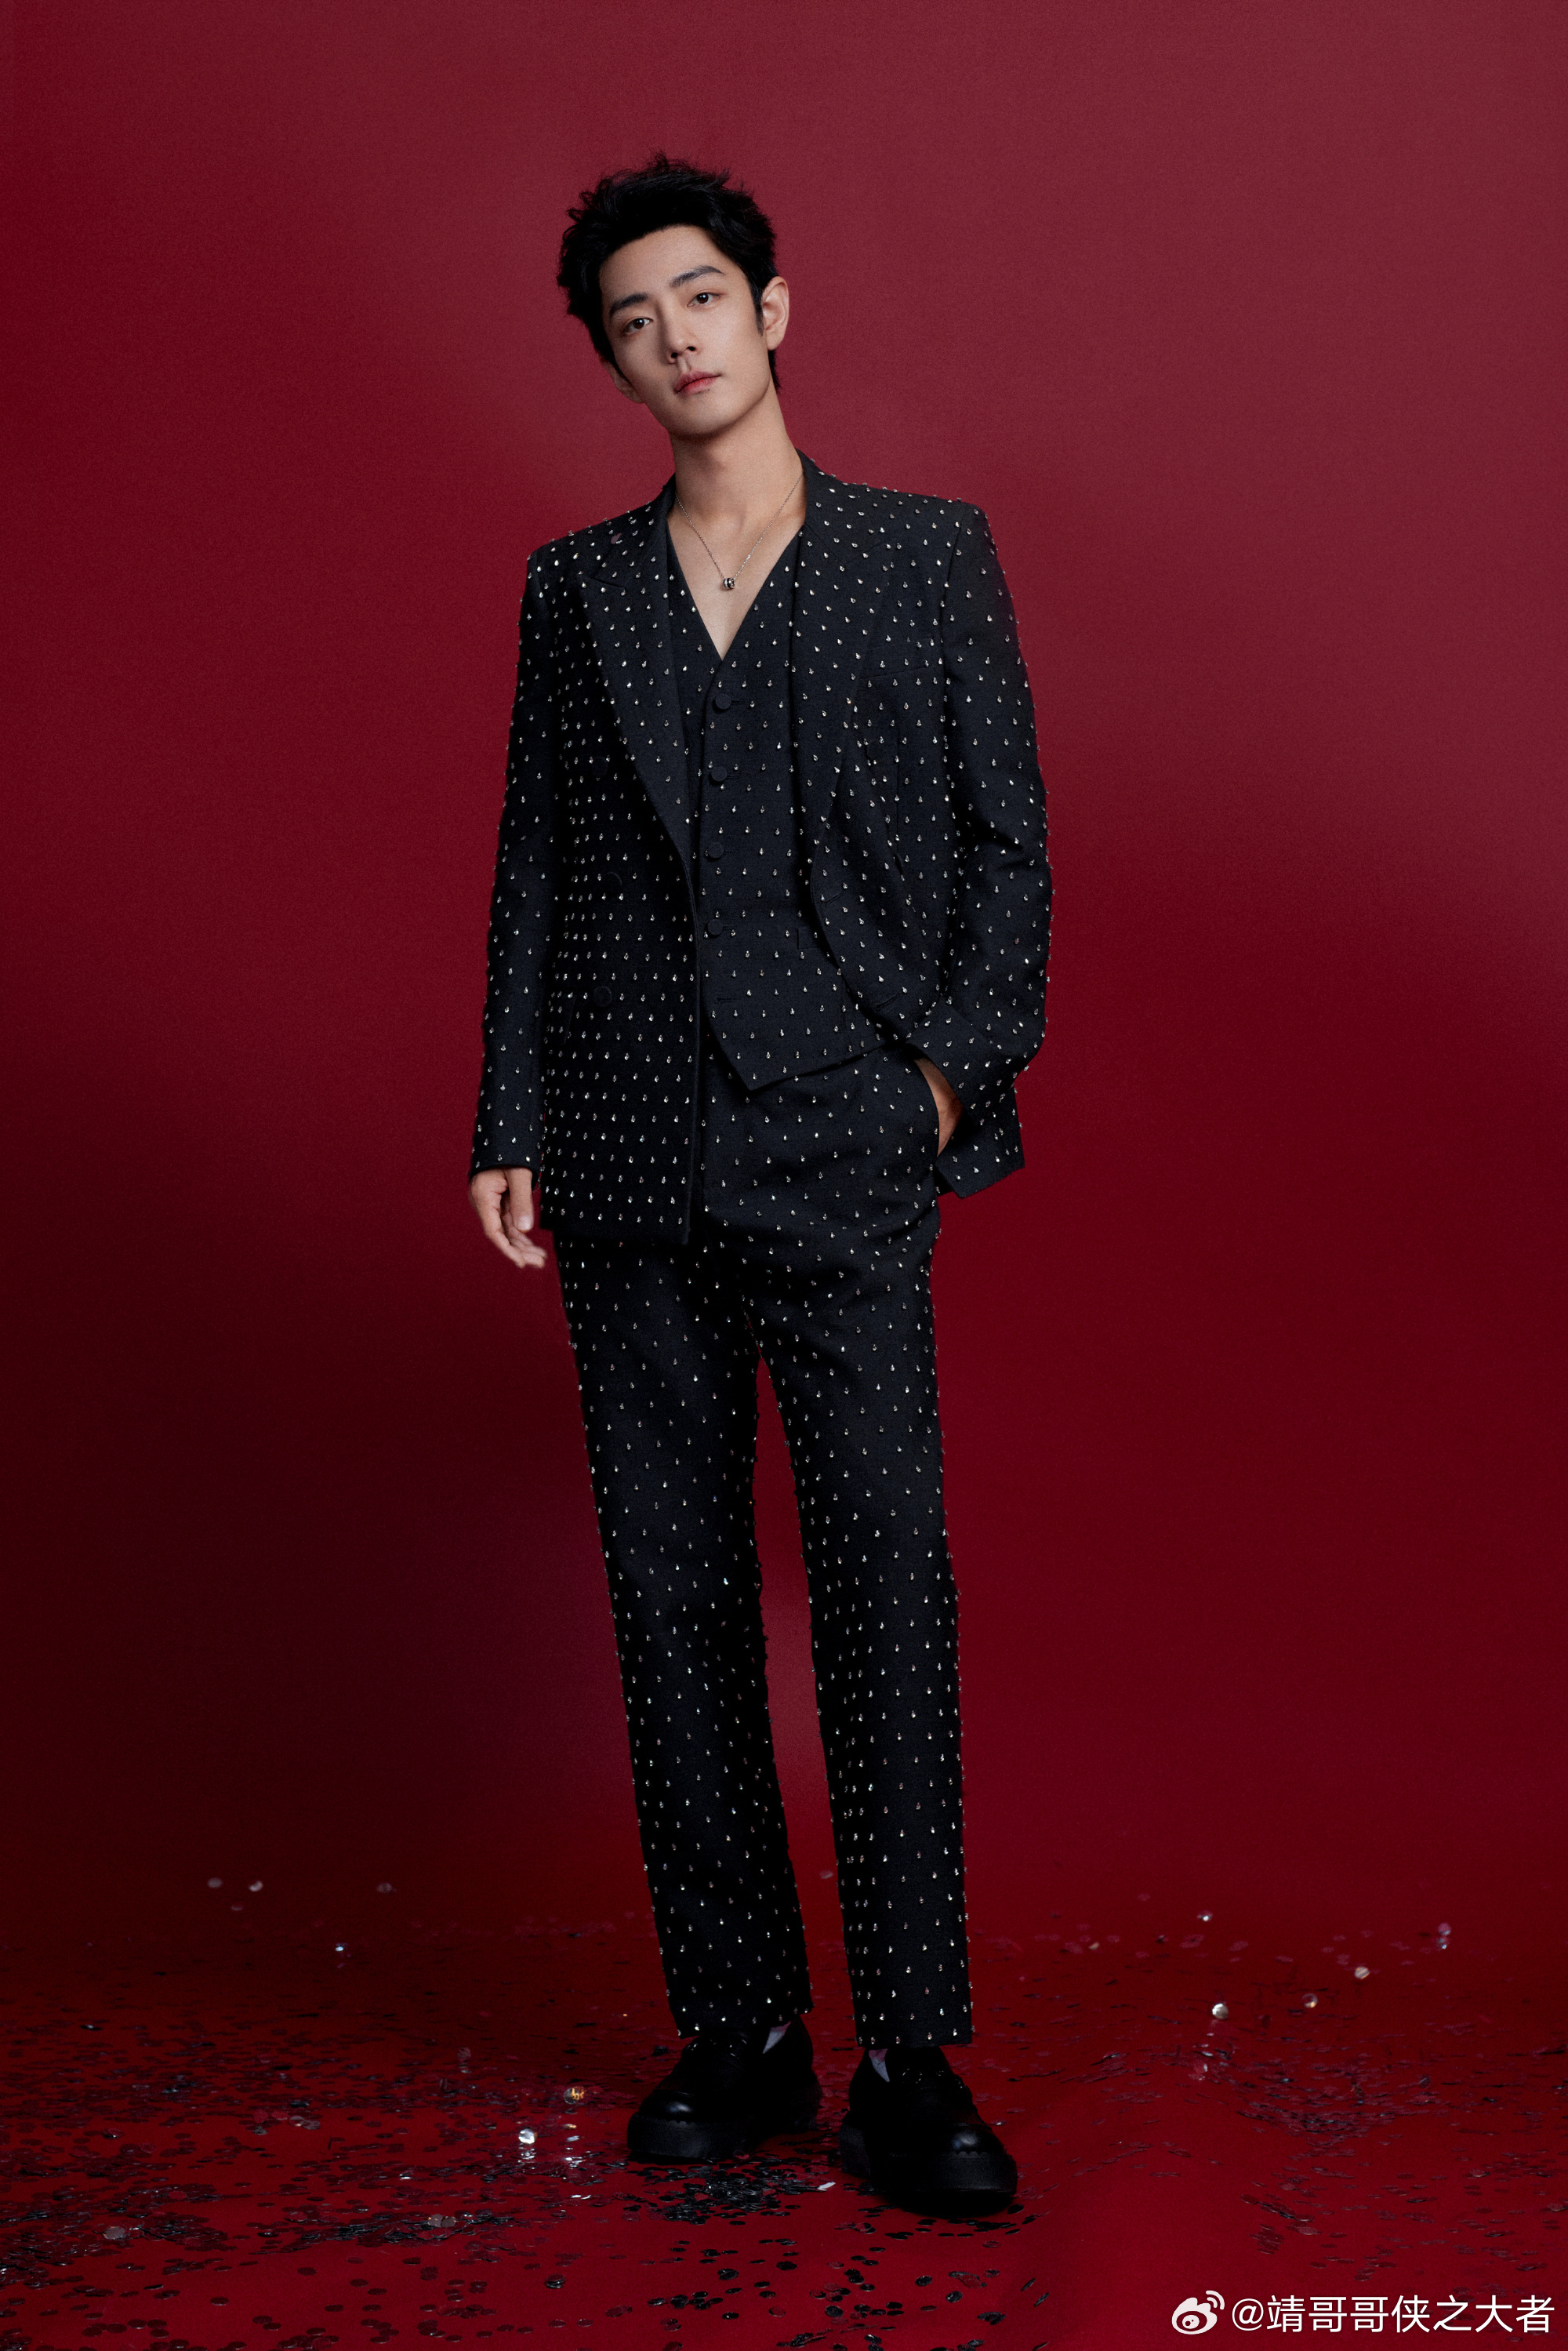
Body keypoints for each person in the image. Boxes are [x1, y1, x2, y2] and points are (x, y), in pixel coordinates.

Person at [469, 154, 1050, 2215]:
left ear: (772, 311)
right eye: (633, 322)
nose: (676, 339)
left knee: (885, 1583)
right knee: (674, 1597)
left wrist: (940, 1083)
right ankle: (744, 2029)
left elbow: (1008, 846)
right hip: (626, 1146)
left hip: (842, 1138)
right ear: (615, 366)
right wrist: (508, 1113)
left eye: (700, 297)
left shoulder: (924, 557)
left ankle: (907, 2050)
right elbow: (541, 857)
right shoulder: (578, 591)